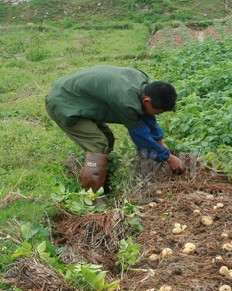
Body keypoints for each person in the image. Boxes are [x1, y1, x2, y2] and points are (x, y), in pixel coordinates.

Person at [45, 65, 186, 202]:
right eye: (158, 112)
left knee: (108, 139)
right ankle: (91, 198)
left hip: (80, 99)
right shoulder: (126, 102)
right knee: (98, 144)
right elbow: (141, 138)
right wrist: (167, 157)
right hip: (63, 102)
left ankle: (104, 184)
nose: (157, 114)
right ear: (147, 100)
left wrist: (159, 141)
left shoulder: (141, 80)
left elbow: (147, 115)